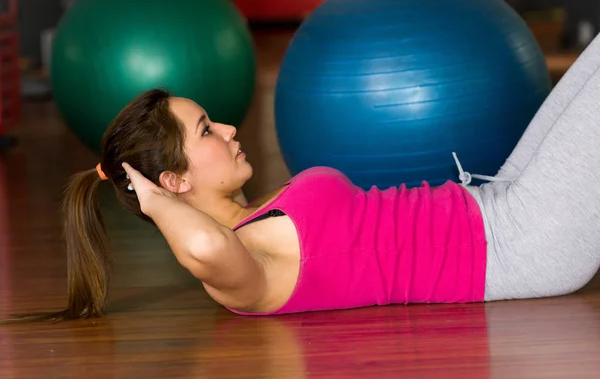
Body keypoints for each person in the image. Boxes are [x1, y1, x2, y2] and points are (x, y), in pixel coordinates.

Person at [6, 35, 600, 323]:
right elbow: (204, 243)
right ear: (175, 181)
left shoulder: (258, 219)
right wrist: (147, 194)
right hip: (520, 241)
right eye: (208, 130)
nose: (233, 128)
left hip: (500, 202)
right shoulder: (238, 269)